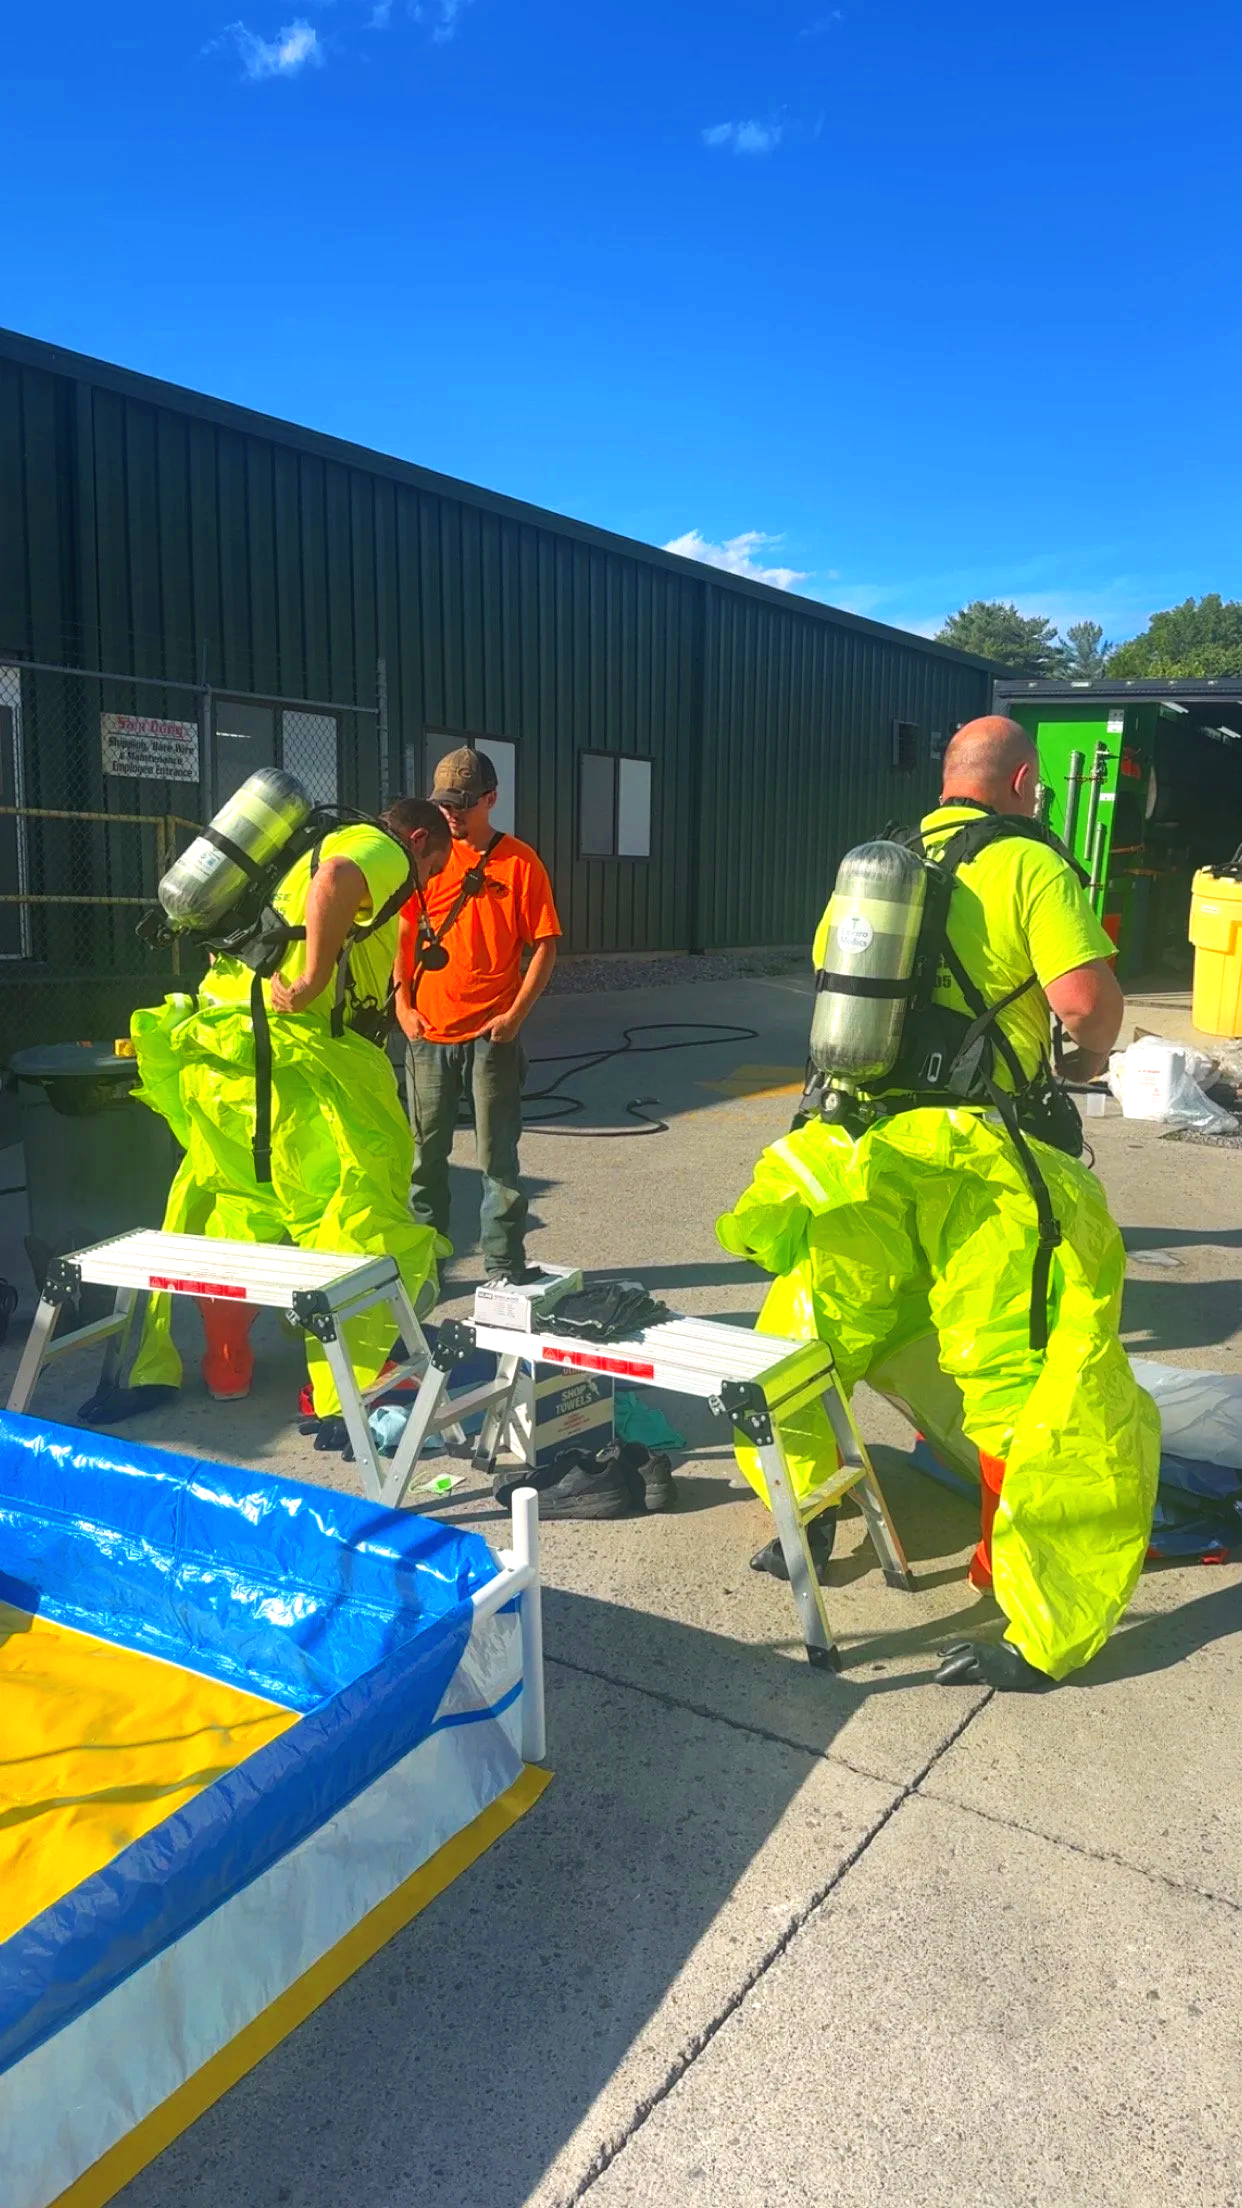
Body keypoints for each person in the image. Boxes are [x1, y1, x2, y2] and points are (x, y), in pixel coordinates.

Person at [717, 716, 1160, 1690]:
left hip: (869, 1154)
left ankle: (806, 1509)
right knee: (1027, 1382)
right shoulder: (1029, 865)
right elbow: (1085, 1004)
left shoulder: (881, 865)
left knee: (811, 1328)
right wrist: (1081, 1059)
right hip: (977, 1161)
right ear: (1020, 785)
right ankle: (1029, 1610)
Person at [107, 798, 453, 1424]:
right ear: (419, 839)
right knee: (354, 1208)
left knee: (236, 1209)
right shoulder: (378, 848)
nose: (418, 886)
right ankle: (350, 1382)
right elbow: (338, 880)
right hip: (294, 1067)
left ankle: (227, 1364)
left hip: (220, 1059)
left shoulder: (287, 855)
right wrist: (317, 975)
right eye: (427, 871)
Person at [395, 746, 561, 1284]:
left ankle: (504, 1266)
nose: (451, 814)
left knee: (498, 1162)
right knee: (425, 1160)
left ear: (492, 799)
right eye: (443, 803)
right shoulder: (421, 857)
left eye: (463, 804)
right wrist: (402, 1006)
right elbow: (403, 937)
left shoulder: (519, 862)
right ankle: (428, 1262)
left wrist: (515, 1016)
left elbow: (545, 946)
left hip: (492, 1035)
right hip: (427, 1032)